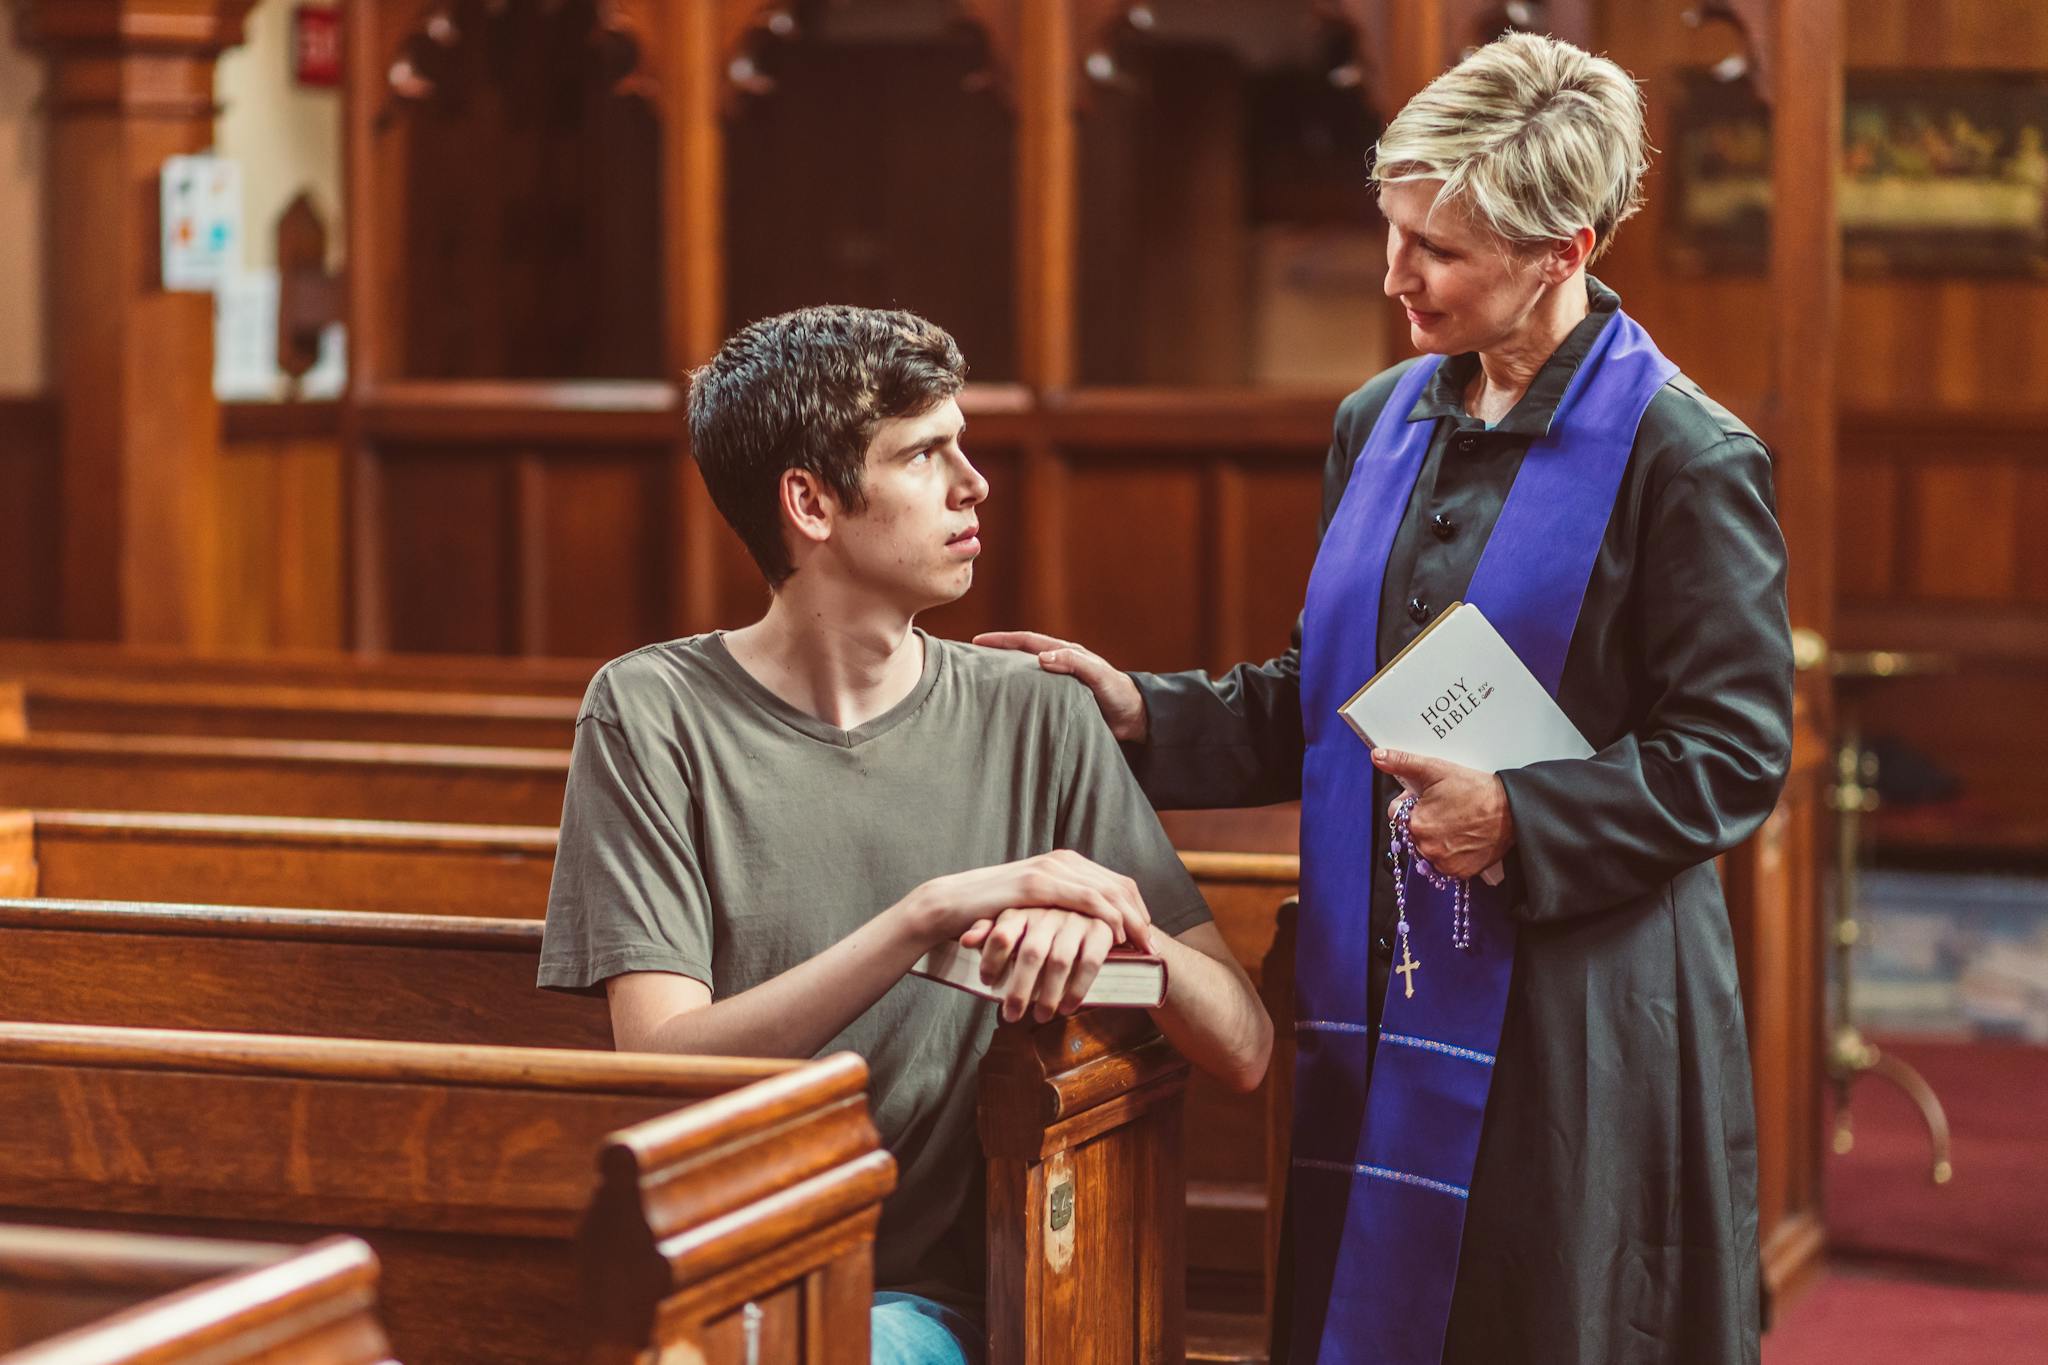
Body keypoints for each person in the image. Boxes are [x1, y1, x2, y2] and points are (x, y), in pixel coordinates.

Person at [978, 32, 1792, 1365]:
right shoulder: (1382, 418)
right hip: (1387, 963)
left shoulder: (1685, 456)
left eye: (1439, 249)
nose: (1392, 274)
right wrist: (1135, 708)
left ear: (1564, 252)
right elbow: (1328, 693)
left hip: (1568, 1007)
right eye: (1393, 230)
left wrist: (1518, 817)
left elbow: (1731, 756)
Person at [537, 305, 1272, 1365]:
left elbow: (1243, 1048)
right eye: (926, 454)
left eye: (960, 446)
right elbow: (662, 1059)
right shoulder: (649, 711)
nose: (973, 485)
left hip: (932, 1302)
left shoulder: (1038, 710)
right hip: (724, 1273)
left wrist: (1129, 946)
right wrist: (924, 919)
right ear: (811, 502)